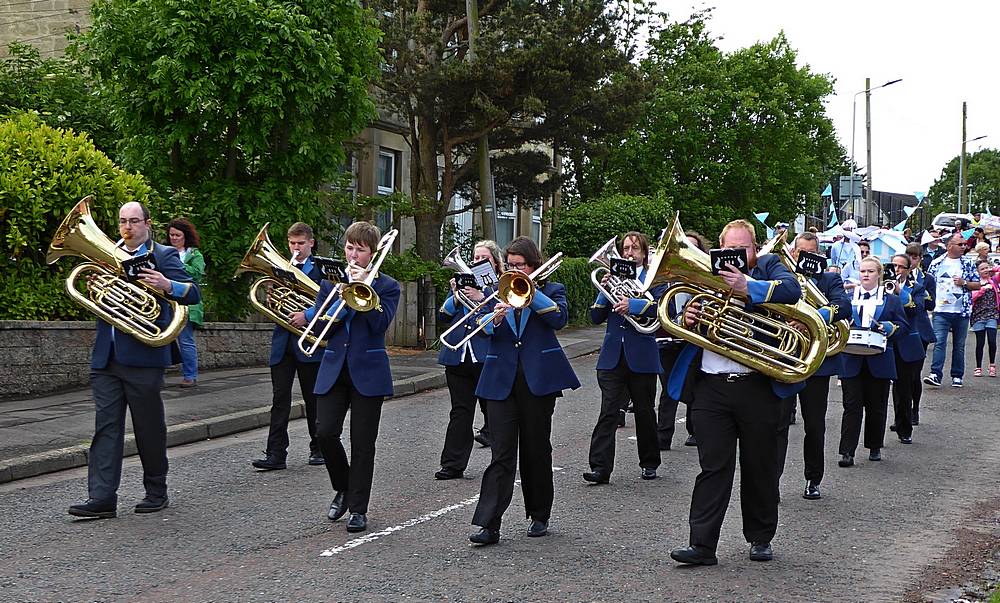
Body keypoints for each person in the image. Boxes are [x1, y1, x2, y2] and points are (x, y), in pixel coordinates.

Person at [668, 219, 802, 566]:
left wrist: (749, 285)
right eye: (731, 249)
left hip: (756, 384)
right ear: (721, 248)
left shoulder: (769, 265)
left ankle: (760, 538)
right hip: (712, 386)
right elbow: (675, 311)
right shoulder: (708, 272)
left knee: (760, 465)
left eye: (743, 248)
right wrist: (689, 317)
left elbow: (792, 290)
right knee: (712, 466)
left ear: (754, 248)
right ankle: (702, 545)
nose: (737, 255)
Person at [68, 201, 201, 519]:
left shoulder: (164, 255)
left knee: (148, 428)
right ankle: (101, 498)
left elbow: (193, 293)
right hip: (106, 358)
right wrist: (94, 287)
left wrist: (168, 285)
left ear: (147, 223)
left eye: (134, 221)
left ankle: (156, 491)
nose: (128, 227)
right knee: (106, 429)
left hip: (144, 356)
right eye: (123, 221)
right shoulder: (103, 254)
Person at [469, 237, 580, 545]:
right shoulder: (496, 292)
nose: (515, 270)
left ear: (534, 265)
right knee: (501, 454)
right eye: (511, 265)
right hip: (500, 379)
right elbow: (480, 326)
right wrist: (495, 318)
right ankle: (489, 523)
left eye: (520, 266)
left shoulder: (551, 290)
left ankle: (539, 513)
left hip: (538, 380)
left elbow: (559, 318)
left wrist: (532, 294)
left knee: (536, 449)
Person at [307, 221, 399, 533]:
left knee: (363, 444)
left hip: (368, 371)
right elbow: (321, 328)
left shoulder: (387, 286)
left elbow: (379, 325)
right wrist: (341, 298)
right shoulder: (329, 283)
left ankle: (358, 509)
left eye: (360, 250)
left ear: (372, 254)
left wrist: (365, 293)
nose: (353, 254)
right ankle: (344, 487)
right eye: (350, 247)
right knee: (325, 433)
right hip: (334, 367)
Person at [584, 232, 665, 484]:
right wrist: (604, 290)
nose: (629, 253)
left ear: (644, 253)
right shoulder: (613, 278)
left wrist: (636, 305)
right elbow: (595, 317)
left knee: (644, 411)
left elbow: (662, 310)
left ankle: (649, 462)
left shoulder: (653, 280)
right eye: (626, 248)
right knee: (608, 411)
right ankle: (600, 467)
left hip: (642, 354)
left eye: (635, 249)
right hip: (612, 355)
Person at [776, 232, 851, 501]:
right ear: (793, 252)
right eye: (800, 252)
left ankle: (813, 479)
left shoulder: (829, 278)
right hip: (784, 357)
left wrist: (812, 319)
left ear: (818, 255)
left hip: (816, 362)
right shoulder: (782, 277)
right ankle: (772, 482)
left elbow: (843, 306)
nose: (804, 257)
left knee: (815, 424)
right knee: (778, 424)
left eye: (811, 252)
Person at [252, 222, 326, 471]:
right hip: (283, 343)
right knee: (279, 399)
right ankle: (276, 453)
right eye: (292, 244)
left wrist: (306, 313)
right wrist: (273, 298)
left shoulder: (322, 271)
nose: (296, 248)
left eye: (301, 244)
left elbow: (330, 303)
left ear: (311, 243)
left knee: (313, 398)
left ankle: (318, 448)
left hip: (309, 343)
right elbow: (274, 307)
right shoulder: (281, 269)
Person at [434, 240, 503, 480]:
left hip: (486, 356)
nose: (477, 262)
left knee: (492, 410)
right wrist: (455, 296)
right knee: (460, 411)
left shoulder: (500, 287)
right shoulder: (461, 283)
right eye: (474, 258)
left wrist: (482, 296)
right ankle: (452, 464)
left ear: (494, 263)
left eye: (484, 258)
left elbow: (499, 318)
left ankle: (502, 461)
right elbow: (443, 316)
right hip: (458, 355)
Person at [837, 257, 907, 467]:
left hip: (879, 359)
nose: (865, 274)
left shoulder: (892, 300)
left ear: (879, 274)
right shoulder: (848, 298)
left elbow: (903, 326)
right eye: (863, 271)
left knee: (877, 406)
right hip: (851, 358)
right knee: (851, 407)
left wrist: (890, 327)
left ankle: (874, 445)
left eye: (870, 271)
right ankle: (847, 452)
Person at [656, 230, 708, 450]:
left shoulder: (704, 281)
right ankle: (663, 436)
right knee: (668, 390)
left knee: (695, 387)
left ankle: (694, 430)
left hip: (693, 340)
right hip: (667, 341)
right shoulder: (662, 282)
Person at [923, 233, 982, 388]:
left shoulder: (968, 263)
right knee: (939, 342)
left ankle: (957, 375)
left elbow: (977, 285)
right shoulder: (936, 263)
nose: (964, 247)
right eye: (960, 244)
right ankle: (935, 373)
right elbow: (929, 285)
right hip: (941, 310)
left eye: (964, 244)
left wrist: (964, 283)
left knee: (959, 345)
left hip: (961, 311)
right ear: (950, 246)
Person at [887, 254, 924, 445]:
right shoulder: (880, 286)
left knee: (904, 388)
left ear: (909, 269)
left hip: (905, 343)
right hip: (885, 342)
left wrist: (900, 292)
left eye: (901, 267)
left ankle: (905, 428)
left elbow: (916, 309)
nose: (897, 270)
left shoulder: (916, 288)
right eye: (894, 266)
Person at [166, 218, 205, 387]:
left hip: (186, 303)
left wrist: (176, 266)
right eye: (171, 235)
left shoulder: (195, 255)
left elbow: (196, 273)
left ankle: (190, 376)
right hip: (166, 300)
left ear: (185, 236)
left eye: (177, 235)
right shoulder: (164, 251)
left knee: (185, 341)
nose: (174, 238)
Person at [905, 243, 936, 426]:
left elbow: (931, 305)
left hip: (920, 329)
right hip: (902, 327)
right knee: (900, 376)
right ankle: (902, 414)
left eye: (915, 257)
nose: (911, 260)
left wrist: (918, 292)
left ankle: (914, 409)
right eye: (909, 256)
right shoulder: (896, 275)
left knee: (914, 374)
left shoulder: (927, 278)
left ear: (920, 258)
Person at [970, 260, 1000, 377]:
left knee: (992, 341)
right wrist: (982, 290)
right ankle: (978, 367)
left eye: (987, 268)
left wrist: (993, 269)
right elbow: (971, 298)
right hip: (978, 316)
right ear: (977, 272)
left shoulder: (994, 281)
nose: (985, 270)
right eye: (982, 269)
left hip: (992, 314)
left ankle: (992, 365)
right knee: (980, 342)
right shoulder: (975, 283)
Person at [829, 219, 862, 287]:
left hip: (853, 278)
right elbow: (833, 261)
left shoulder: (857, 247)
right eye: (846, 229)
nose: (848, 232)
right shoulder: (835, 246)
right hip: (839, 276)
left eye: (850, 229)